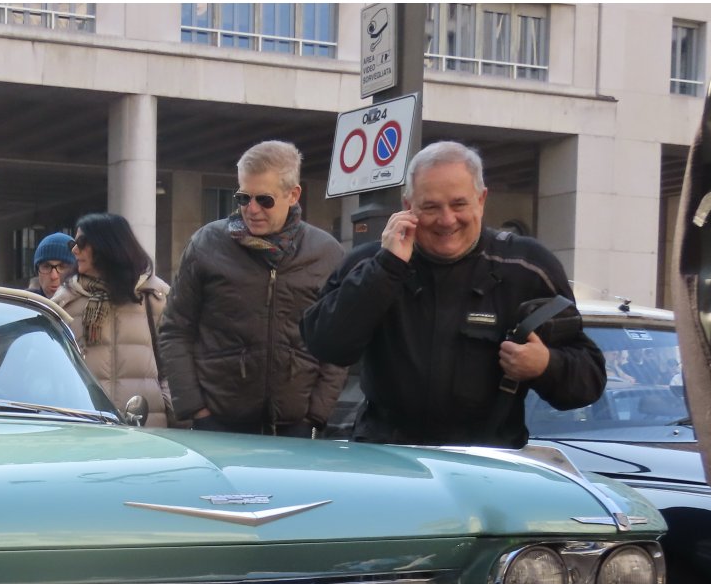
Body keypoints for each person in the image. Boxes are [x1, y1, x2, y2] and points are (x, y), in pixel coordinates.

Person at [301, 140, 605, 448]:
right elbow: (326, 345)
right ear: (408, 207)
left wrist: (546, 365)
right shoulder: (372, 263)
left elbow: (589, 380)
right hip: (389, 456)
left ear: (481, 200)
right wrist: (387, 269)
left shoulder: (527, 266)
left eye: (458, 204)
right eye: (431, 207)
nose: (446, 220)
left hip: (486, 461)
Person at [157, 140, 345, 436]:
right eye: (243, 198)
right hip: (218, 424)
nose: (251, 209)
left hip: (296, 428)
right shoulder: (206, 245)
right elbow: (175, 329)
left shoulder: (326, 254)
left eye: (264, 200)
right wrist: (196, 409)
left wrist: (316, 415)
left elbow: (337, 341)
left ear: (293, 195)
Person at [52, 212, 170, 427]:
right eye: (73, 243)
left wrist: (169, 406)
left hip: (147, 426)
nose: (74, 250)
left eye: (82, 243)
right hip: (82, 425)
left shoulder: (154, 297)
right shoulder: (64, 302)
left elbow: (175, 361)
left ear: (107, 245)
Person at [28, 232, 75, 298]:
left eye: (62, 267)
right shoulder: (21, 302)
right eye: (46, 267)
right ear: (37, 271)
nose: (54, 276)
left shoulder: (87, 303)